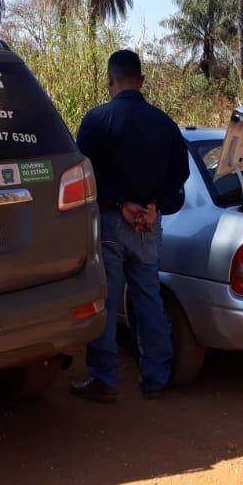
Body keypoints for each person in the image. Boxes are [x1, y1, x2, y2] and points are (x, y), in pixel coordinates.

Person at [69, 49, 190, 403]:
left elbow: (85, 172)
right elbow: (180, 173)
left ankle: (104, 379)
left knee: (104, 300)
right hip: (149, 225)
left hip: (110, 221)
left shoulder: (97, 120)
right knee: (148, 297)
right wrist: (154, 207)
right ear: (142, 80)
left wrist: (122, 204)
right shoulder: (165, 123)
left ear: (111, 80)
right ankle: (156, 379)